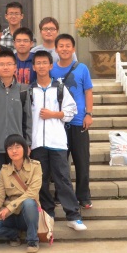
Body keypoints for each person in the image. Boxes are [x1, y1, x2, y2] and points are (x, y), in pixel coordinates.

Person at [29, 50, 86, 231]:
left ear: (50, 65)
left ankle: (73, 216)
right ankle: (48, 213)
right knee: (41, 180)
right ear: (33, 67)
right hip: (37, 142)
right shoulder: (29, 91)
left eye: (44, 63)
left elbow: (71, 111)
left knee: (63, 179)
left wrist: (54, 114)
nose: (41, 66)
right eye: (38, 63)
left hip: (57, 142)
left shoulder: (60, 88)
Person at [0, 49, 32, 194]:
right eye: (1, 64)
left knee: (18, 180)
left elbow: (27, 119)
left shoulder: (22, 90)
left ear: (15, 67)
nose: (5, 67)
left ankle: (15, 206)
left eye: (9, 64)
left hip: (16, 146)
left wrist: (27, 143)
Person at [51, 33, 94, 210]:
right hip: (59, 122)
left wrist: (88, 114)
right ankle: (60, 194)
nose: (64, 49)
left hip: (78, 122)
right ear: (56, 49)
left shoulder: (82, 68)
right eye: (61, 46)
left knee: (82, 161)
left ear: (73, 49)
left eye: (68, 46)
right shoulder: (51, 69)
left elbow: (88, 92)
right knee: (60, 162)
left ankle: (83, 196)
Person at [0, 134, 43, 253]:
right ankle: (15, 234)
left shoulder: (35, 166)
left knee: (29, 202)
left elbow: (31, 193)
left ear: (25, 149)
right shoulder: (4, 171)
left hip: (28, 213)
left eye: (17, 147)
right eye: (10, 148)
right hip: (11, 215)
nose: (14, 151)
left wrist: (9, 208)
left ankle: (32, 240)